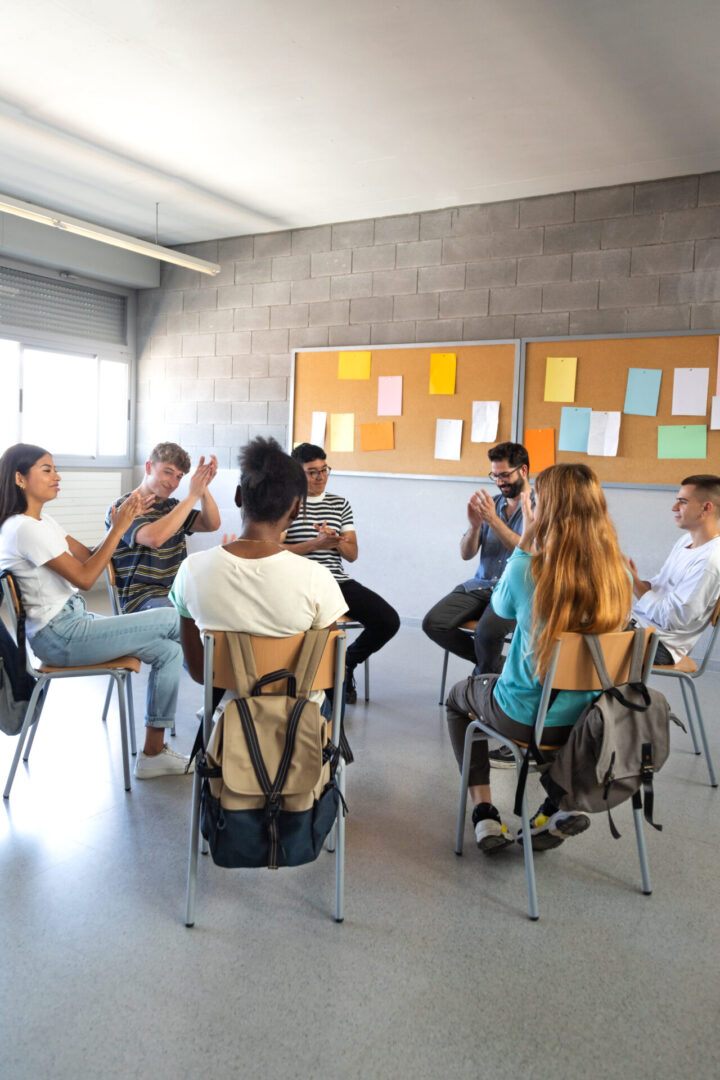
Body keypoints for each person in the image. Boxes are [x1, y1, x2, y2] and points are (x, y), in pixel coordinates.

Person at [445, 463, 632, 853]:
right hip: (590, 723)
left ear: (546, 509)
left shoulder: (527, 570)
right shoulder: (619, 575)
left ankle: (485, 814)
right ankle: (554, 807)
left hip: (525, 717)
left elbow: (498, 616)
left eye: (537, 501)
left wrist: (528, 535)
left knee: (458, 699)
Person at [0, 443, 188, 779]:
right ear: (19, 478)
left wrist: (118, 526)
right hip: (60, 636)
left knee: (170, 650)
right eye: (47, 470)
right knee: (176, 618)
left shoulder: (42, 522)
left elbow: (87, 556)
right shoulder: (23, 528)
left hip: (72, 624)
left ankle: (153, 753)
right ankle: (221, 693)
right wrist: (119, 529)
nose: (57, 477)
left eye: (55, 468)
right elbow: (87, 578)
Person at [170, 437, 348, 707]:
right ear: (297, 508)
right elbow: (332, 670)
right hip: (300, 724)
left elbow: (198, 672)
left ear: (239, 496)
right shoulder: (317, 577)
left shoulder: (191, 570)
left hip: (227, 722)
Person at [281, 443, 400, 704]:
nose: (320, 477)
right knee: (321, 633)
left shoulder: (339, 503)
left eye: (324, 470)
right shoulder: (286, 503)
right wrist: (314, 544)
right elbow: (274, 551)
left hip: (336, 581)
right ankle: (322, 684)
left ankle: (345, 664)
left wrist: (336, 540)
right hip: (298, 584)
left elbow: (352, 554)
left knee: (388, 620)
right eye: (312, 472)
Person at [422, 441, 532, 677]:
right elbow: (466, 553)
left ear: (523, 471)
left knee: (486, 633)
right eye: (495, 475)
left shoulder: (541, 508)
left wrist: (493, 521)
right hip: (481, 585)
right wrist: (474, 528)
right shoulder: (491, 504)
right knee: (433, 623)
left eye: (505, 475)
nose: (500, 481)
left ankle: (483, 678)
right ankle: (495, 665)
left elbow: (526, 552)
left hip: (515, 591)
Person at [106, 442, 221, 613]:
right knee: (181, 615)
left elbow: (211, 524)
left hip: (177, 593)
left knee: (221, 606)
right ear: (148, 467)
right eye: (168, 472)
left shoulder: (173, 507)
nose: (173, 482)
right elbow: (154, 538)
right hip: (141, 599)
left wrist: (202, 488)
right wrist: (192, 495)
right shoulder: (123, 507)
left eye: (179, 477)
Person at [628, 474, 720, 664]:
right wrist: (629, 579)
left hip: (659, 645)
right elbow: (660, 586)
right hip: (639, 626)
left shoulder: (710, 561)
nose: (674, 508)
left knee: (574, 638)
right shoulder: (686, 541)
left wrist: (634, 582)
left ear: (707, 508)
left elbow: (672, 619)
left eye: (683, 502)